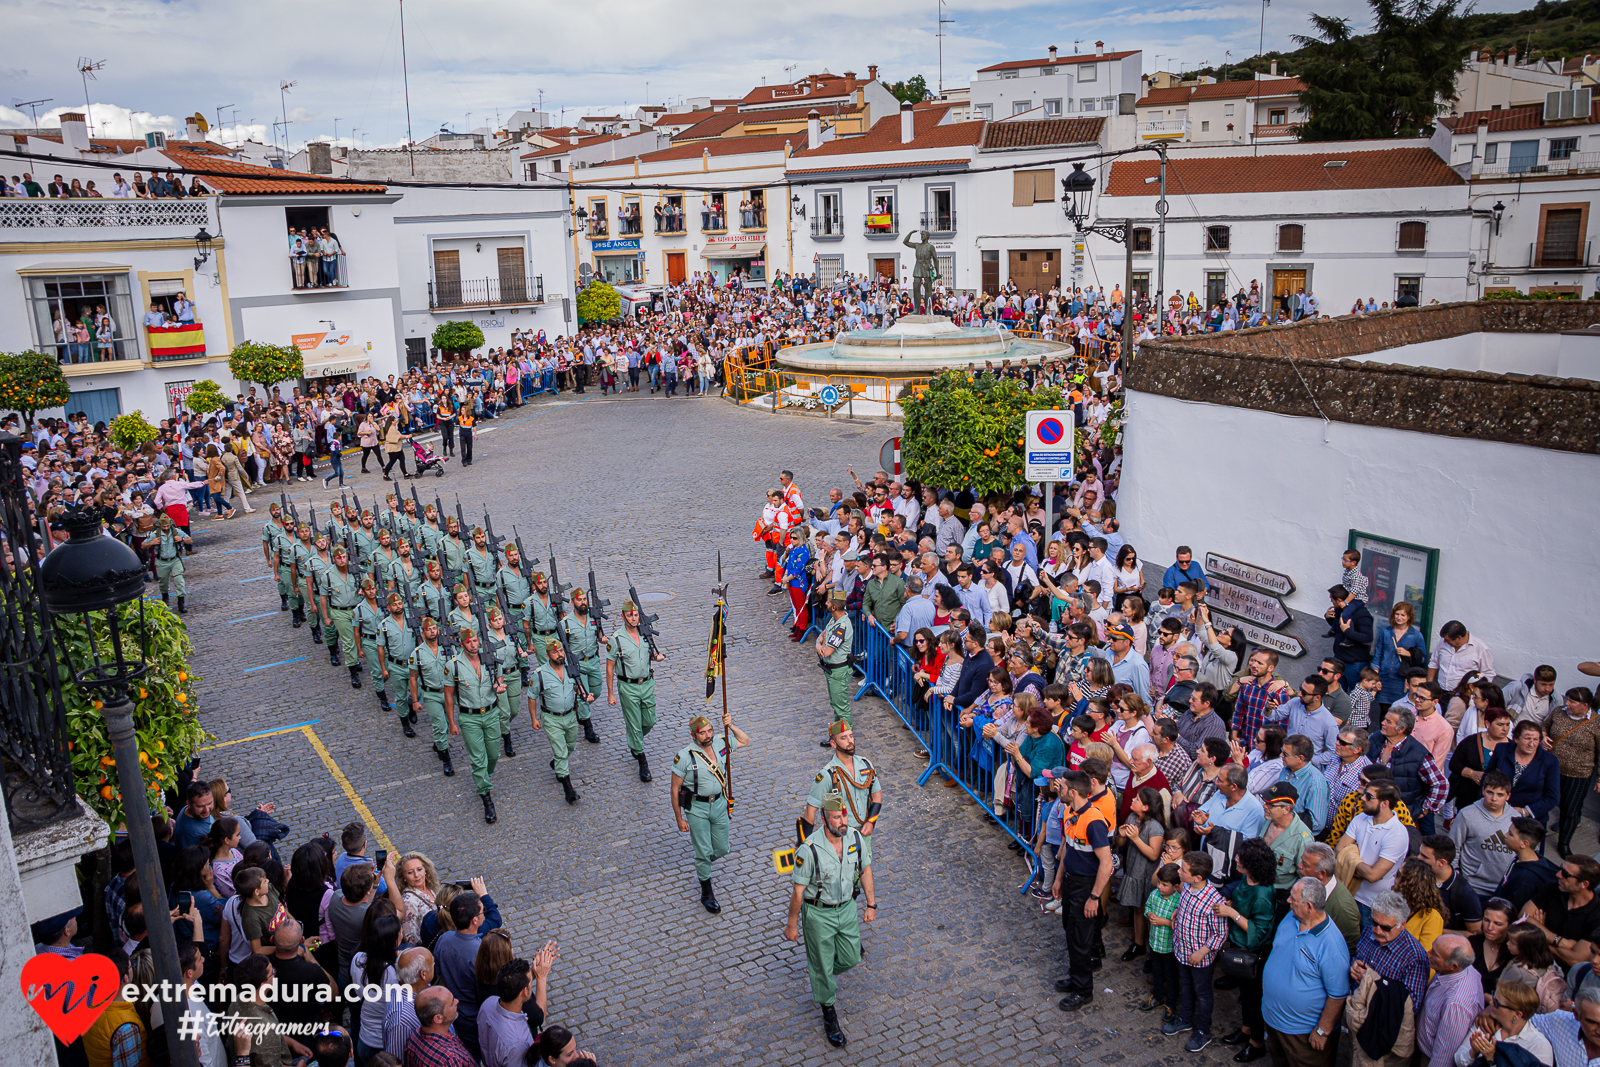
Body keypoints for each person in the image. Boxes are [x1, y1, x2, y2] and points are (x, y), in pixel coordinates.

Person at [784, 793, 877, 1048]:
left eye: (844, 816)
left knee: (851, 957)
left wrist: (871, 904)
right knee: (822, 966)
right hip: (819, 914)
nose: (843, 821)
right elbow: (798, 892)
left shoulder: (855, 838)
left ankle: (820, 974)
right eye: (837, 817)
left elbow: (865, 869)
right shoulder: (809, 850)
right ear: (825, 820)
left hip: (846, 909)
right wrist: (791, 924)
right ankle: (829, 1014)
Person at [1263, 876, 1353, 1067]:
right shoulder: (1291, 917)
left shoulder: (1332, 945)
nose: (1288, 900)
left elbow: (1338, 995)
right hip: (1274, 1021)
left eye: (1294, 899)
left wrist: (1322, 1030)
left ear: (1309, 907)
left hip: (1302, 1034)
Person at [670, 710, 749, 913]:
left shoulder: (720, 743)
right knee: (704, 851)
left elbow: (745, 740)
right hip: (697, 808)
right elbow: (674, 789)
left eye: (710, 730)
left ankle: (702, 863)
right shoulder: (684, 757)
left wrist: (731, 726)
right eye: (703, 732)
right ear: (693, 735)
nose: (708, 735)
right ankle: (706, 892)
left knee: (722, 848)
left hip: (720, 804)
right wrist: (679, 818)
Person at [1052, 769, 1113, 1012]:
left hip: (1086, 886)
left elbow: (1106, 863)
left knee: (1081, 938)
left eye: (1062, 787)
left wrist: (1094, 897)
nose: (1059, 788)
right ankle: (1075, 975)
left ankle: (1083, 990)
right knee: (1070, 931)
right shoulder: (1070, 811)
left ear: (1073, 792)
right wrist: (1058, 878)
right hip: (1070, 881)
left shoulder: (1094, 821)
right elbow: (1068, 847)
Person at [1214, 837, 1278, 1063]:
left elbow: (1258, 933)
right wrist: (1232, 905)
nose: (1236, 860)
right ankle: (1246, 1030)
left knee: (1253, 998)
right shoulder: (1247, 879)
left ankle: (1257, 1043)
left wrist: (1232, 914)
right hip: (1239, 944)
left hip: (1253, 952)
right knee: (1245, 995)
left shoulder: (1263, 894)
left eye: (1241, 858)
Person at [1164, 851, 1229, 1053]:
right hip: (1183, 950)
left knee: (1203, 994)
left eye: (1183, 870)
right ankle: (1185, 1019)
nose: (1179, 872)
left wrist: (1202, 952)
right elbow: (1184, 905)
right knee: (1186, 986)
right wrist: (1177, 911)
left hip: (1200, 959)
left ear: (1197, 877)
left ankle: (1203, 1030)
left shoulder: (1214, 901)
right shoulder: (1186, 887)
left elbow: (1220, 933)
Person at [446, 631, 506, 824]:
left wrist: (499, 686)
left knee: (493, 754)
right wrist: (451, 722)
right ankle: (486, 795)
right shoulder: (454, 665)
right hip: (469, 717)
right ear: (461, 644)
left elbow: (499, 678)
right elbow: (449, 695)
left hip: (491, 713)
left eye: (475, 641)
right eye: (468, 642)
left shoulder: (490, 659)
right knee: (478, 759)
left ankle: (485, 777)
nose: (473, 645)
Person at [531, 636, 596, 805]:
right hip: (551, 718)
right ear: (548, 655)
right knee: (561, 752)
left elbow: (576, 686)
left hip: (570, 715)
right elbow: (532, 696)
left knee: (570, 746)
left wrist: (584, 694)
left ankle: (557, 763)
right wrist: (534, 718)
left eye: (561, 651)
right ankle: (569, 790)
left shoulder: (571, 668)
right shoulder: (540, 674)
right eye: (555, 652)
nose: (559, 654)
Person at [605, 599, 665, 781]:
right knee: (634, 724)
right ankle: (642, 760)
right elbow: (609, 667)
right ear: (623, 616)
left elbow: (649, 655)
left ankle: (634, 740)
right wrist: (610, 693)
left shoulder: (645, 633)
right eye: (630, 615)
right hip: (628, 687)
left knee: (650, 720)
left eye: (636, 615)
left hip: (647, 684)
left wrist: (656, 657)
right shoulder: (616, 639)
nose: (633, 618)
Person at [1337, 780, 1412, 926]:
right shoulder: (1360, 818)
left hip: (1371, 905)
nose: (1363, 798)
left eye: (1368, 796)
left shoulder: (1397, 834)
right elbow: (1339, 851)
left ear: (1385, 803)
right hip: (1347, 894)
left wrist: (1350, 861)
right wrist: (1363, 868)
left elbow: (1373, 876)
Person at [1544, 687, 1600, 858]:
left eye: (1572, 702)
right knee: (1549, 801)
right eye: (1567, 699)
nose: (1566, 703)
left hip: (1578, 773)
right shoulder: (1559, 712)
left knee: (1570, 810)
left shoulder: (1596, 723)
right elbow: (1544, 726)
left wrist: (1599, 778)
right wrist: (1543, 736)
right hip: (1552, 769)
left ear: (1585, 705)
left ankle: (1564, 843)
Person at [1520, 856, 1600, 969]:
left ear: (1584, 884)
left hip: (1560, 975)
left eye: (1565, 874)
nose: (1558, 874)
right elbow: (1523, 918)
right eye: (1561, 868)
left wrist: (1537, 937)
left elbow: (1576, 959)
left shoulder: (1597, 915)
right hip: (1529, 962)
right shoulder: (1551, 889)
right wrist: (1560, 941)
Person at [1415, 934, 1483, 1067]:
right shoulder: (1459, 969)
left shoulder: (1456, 1004)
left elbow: (1445, 1055)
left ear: (1453, 966)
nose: (1428, 953)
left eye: (1435, 954)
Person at [1455, 979, 1551, 1067]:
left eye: (1496, 1003)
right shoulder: (1487, 1023)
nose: (1491, 1003)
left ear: (1517, 1014)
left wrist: (1492, 1059)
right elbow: (1458, 1060)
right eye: (1493, 997)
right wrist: (1473, 1052)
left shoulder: (1539, 1045)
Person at [1487, 721, 1561, 826]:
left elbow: (1552, 797)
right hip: (1497, 814)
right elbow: (1487, 776)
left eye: (1535, 739)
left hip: (1530, 822)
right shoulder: (1501, 749)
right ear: (1516, 738)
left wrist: (1525, 811)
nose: (1531, 744)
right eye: (1527, 739)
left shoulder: (1549, 761)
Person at [1299, 842, 1363, 953]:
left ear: (1322, 874)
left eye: (1305, 865)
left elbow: (1348, 948)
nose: (1299, 865)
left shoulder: (1342, 908)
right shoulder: (1308, 883)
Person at [1418, 835, 1485, 935]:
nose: (1418, 858)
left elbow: (1474, 933)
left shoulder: (1465, 894)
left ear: (1442, 862)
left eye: (1424, 856)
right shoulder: (1419, 877)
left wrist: (1432, 931)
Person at [813, 590, 855, 741]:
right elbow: (823, 634)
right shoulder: (834, 620)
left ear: (834, 607)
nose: (826, 603)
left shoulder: (841, 627)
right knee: (836, 705)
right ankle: (838, 737)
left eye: (828, 602)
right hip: (832, 671)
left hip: (838, 671)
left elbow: (825, 651)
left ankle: (847, 740)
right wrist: (820, 642)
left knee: (841, 707)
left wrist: (818, 645)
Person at [150, 513, 193, 613]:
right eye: (164, 526)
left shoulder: (176, 531)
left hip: (175, 559)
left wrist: (182, 539)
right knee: (163, 582)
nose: (166, 528)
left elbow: (190, 540)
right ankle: (165, 597)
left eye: (168, 526)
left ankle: (181, 602)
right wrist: (152, 543)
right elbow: (143, 545)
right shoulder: (155, 534)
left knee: (179, 580)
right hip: (161, 561)